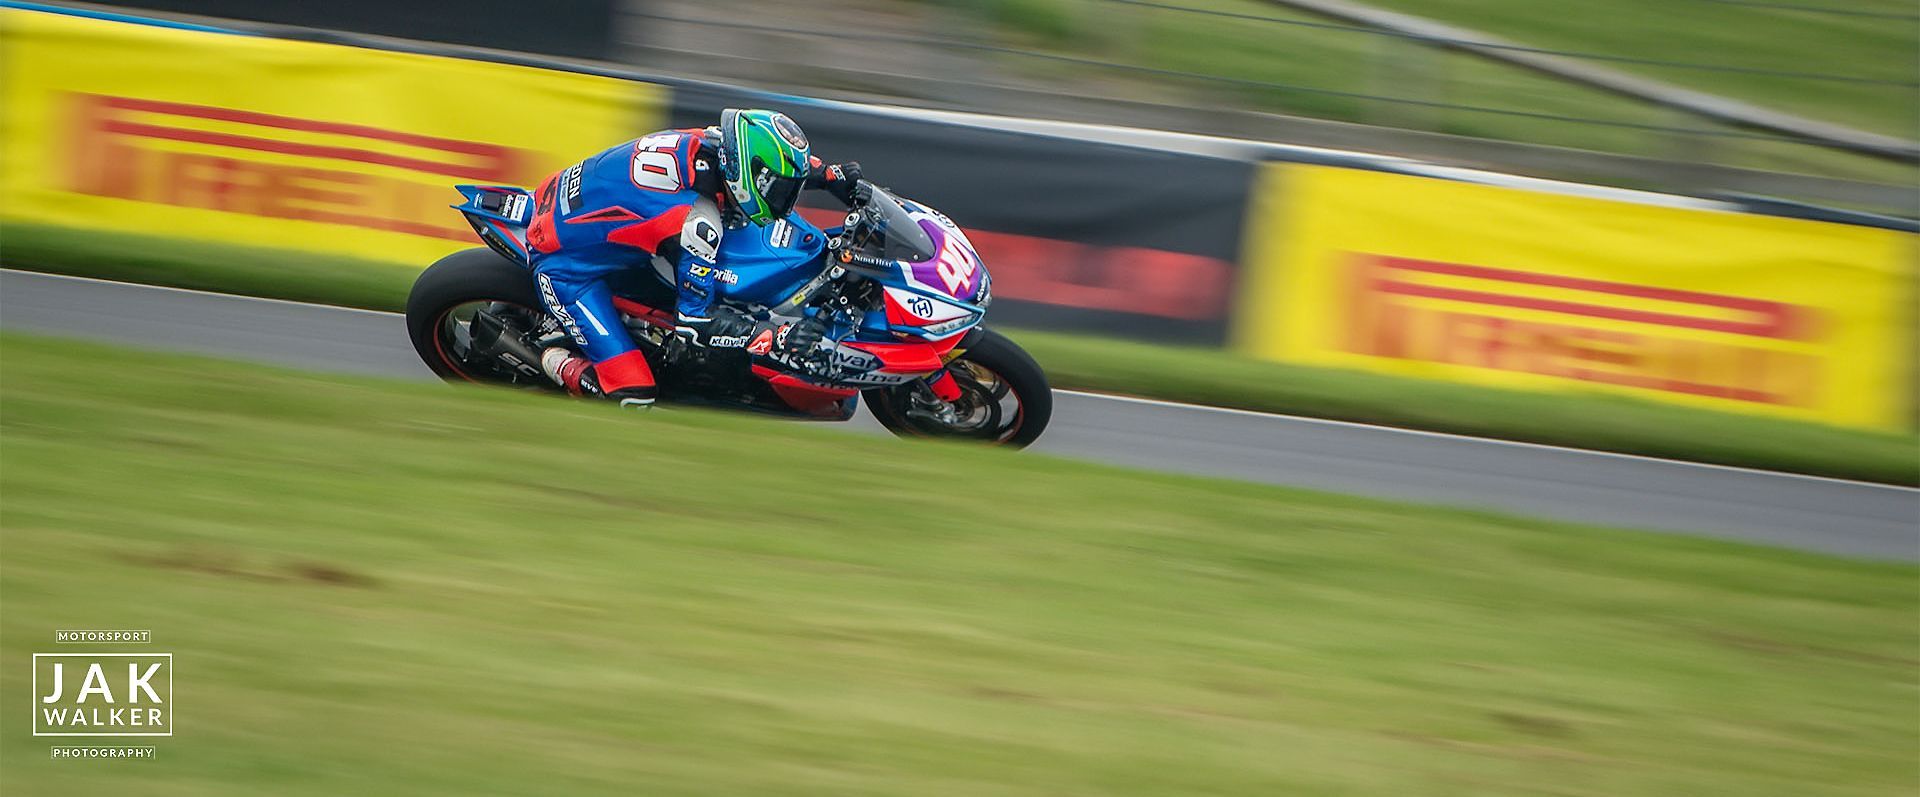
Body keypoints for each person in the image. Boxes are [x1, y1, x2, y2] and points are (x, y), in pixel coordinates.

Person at [522, 108, 867, 407]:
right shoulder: (696, 224)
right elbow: (694, 322)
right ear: (746, 175)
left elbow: (772, 162)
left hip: (569, 203)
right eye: (778, 189)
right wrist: (775, 336)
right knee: (633, 394)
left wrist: (829, 175)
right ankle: (553, 360)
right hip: (564, 267)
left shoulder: (714, 143)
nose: (785, 201)